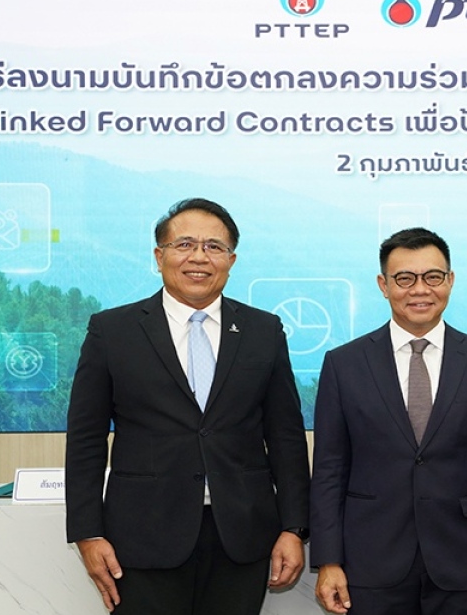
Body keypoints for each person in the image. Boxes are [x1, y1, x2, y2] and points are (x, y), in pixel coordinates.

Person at [65, 198, 311, 615]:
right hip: (142, 538)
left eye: (214, 247)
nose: (199, 257)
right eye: (184, 245)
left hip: (242, 537)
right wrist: (88, 534)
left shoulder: (263, 331)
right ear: (159, 256)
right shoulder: (113, 331)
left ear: (231, 260)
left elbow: (285, 436)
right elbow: (86, 439)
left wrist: (294, 527)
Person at [309, 227, 467, 615]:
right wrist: (328, 560)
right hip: (371, 559)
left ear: (450, 280)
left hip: (464, 558)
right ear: (384, 285)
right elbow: (329, 469)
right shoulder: (344, 364)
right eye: (405, 278)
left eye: (433, 277)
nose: (420, 289)